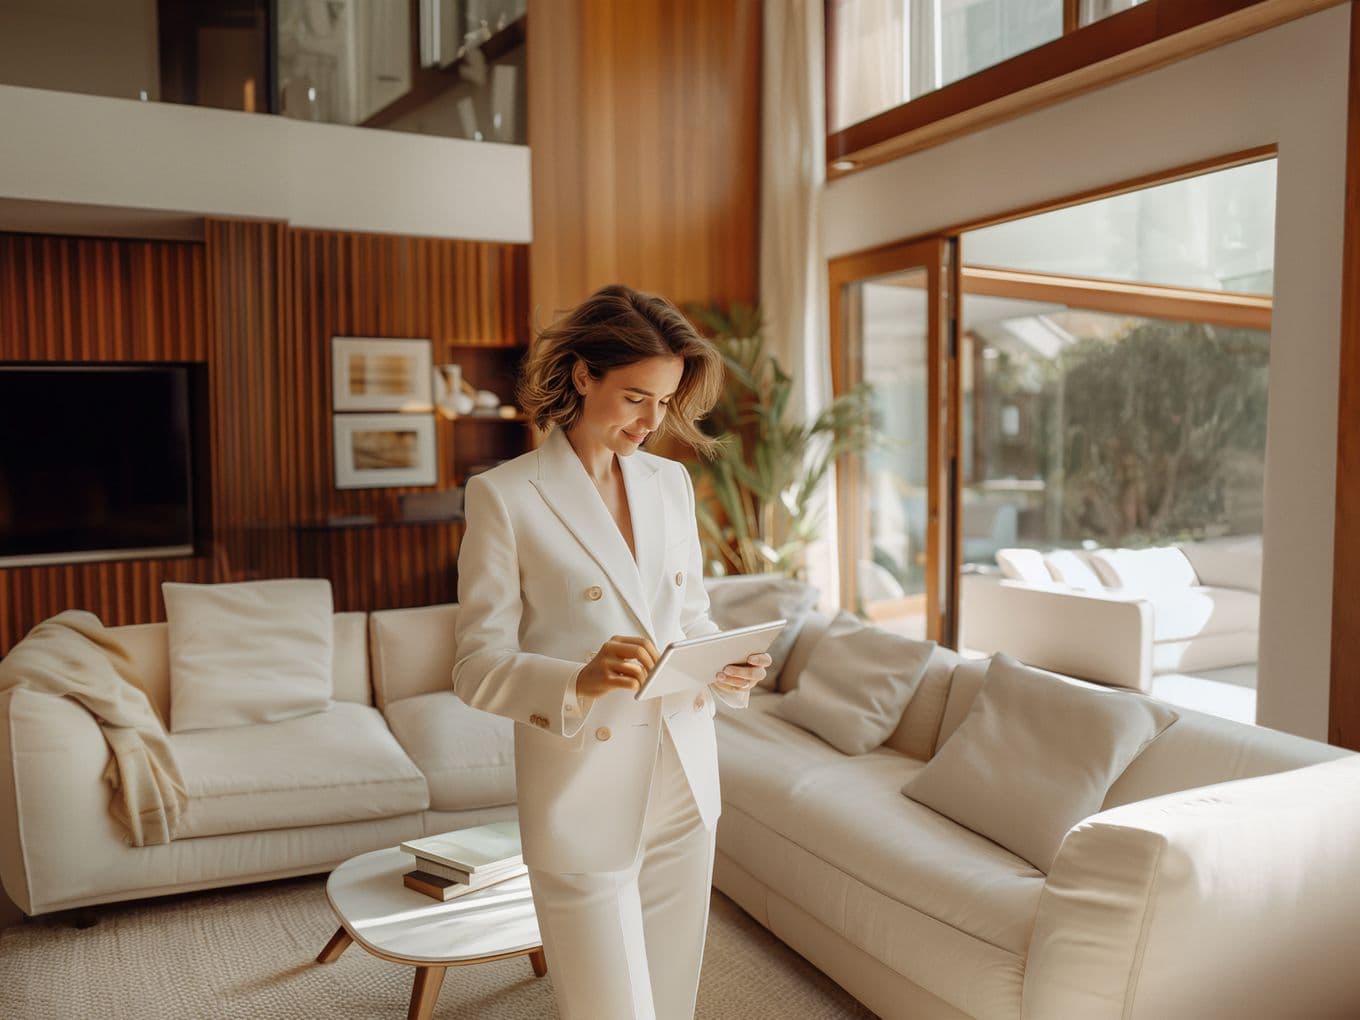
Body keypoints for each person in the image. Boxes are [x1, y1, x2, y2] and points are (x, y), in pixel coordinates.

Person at [452, 283, 772, 1020]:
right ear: (582, 375)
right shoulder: (506, 495)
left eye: (664, 402)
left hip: (682, 773)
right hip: (582, 788)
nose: (652, 422)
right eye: (635, 398)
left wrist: (724, 665)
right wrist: (579, 679)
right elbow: (474, 667)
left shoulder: (670, 482)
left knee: (669, 998)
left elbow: (690, 618)